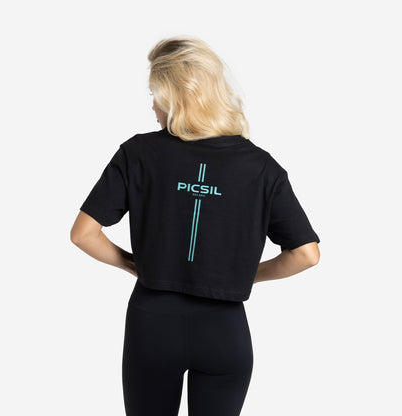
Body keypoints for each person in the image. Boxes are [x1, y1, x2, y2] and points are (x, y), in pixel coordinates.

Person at [70, 35, 320, 416]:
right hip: (224, 331)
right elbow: (306, 254)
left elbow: (83, 234)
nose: (153, 105)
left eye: (156, 96)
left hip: (152, 326)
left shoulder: (138, 154)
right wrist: (246, 276)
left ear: (175, 98)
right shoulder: (261, 168)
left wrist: (133, 264)